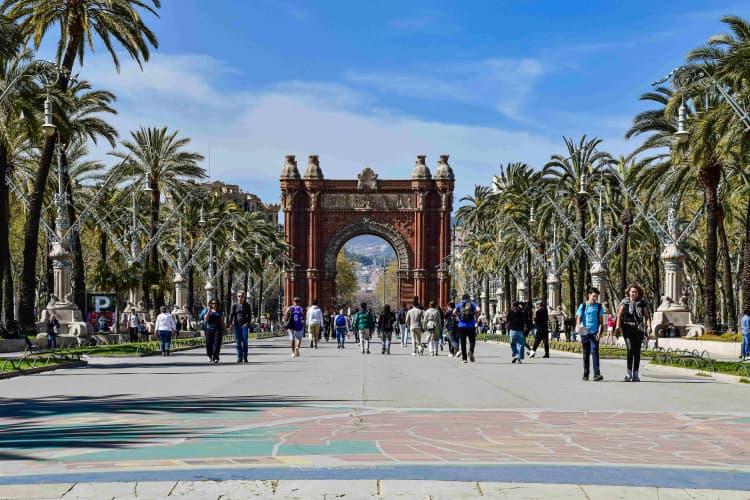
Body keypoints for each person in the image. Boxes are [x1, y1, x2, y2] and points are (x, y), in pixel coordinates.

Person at [615, 284, 652, 382]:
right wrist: (618, 327)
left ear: (638, 293)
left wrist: (649, 326)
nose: (634, 293)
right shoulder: (625, 302)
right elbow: (619, 315)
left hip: (638, 328)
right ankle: (628, 373)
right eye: (632, 291)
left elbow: (647, 316)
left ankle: (635, 373)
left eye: (636, 292)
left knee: (637, 351)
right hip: (627, 328)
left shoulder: (642, 303)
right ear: (629, 292)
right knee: (630, 349)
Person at [576, 287, 604, 381]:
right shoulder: (583, 305)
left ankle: (597, 374)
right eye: (594, 296)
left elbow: (601, 322)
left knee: (595, 352)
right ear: (589, 295)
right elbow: (579, 319)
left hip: (594, 332)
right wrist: (579, 328)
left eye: (597, 297)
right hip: (584, 331)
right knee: (586, 353)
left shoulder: (599, 307)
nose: (595, 298)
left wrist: (599, 332)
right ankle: (586, 373)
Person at [454, 293, 480, 363]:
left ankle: (464, 359)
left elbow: (454, 312)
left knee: (463, 342)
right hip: (471, 325)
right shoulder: (472, 303)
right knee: (472, 341)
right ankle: (471, 351)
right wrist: (475, 316)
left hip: (461, 326)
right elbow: (478, 310)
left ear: (462, 298)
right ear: (468, 298)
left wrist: (459, 317)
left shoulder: (459, 304)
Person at [227, 291, 251, 363]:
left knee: (245, 341)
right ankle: (239, 357)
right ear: (237, 297)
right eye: (239, 296)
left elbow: (249, 316)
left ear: (244, 297)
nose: (240, 297)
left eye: (242, 296)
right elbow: (231, 315)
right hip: (236, 326)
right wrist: (230, 324)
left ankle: (245, 357)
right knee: (238, 342)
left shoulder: (247, 305)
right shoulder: (234, 305)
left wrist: (247, 323)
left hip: (244, 325)